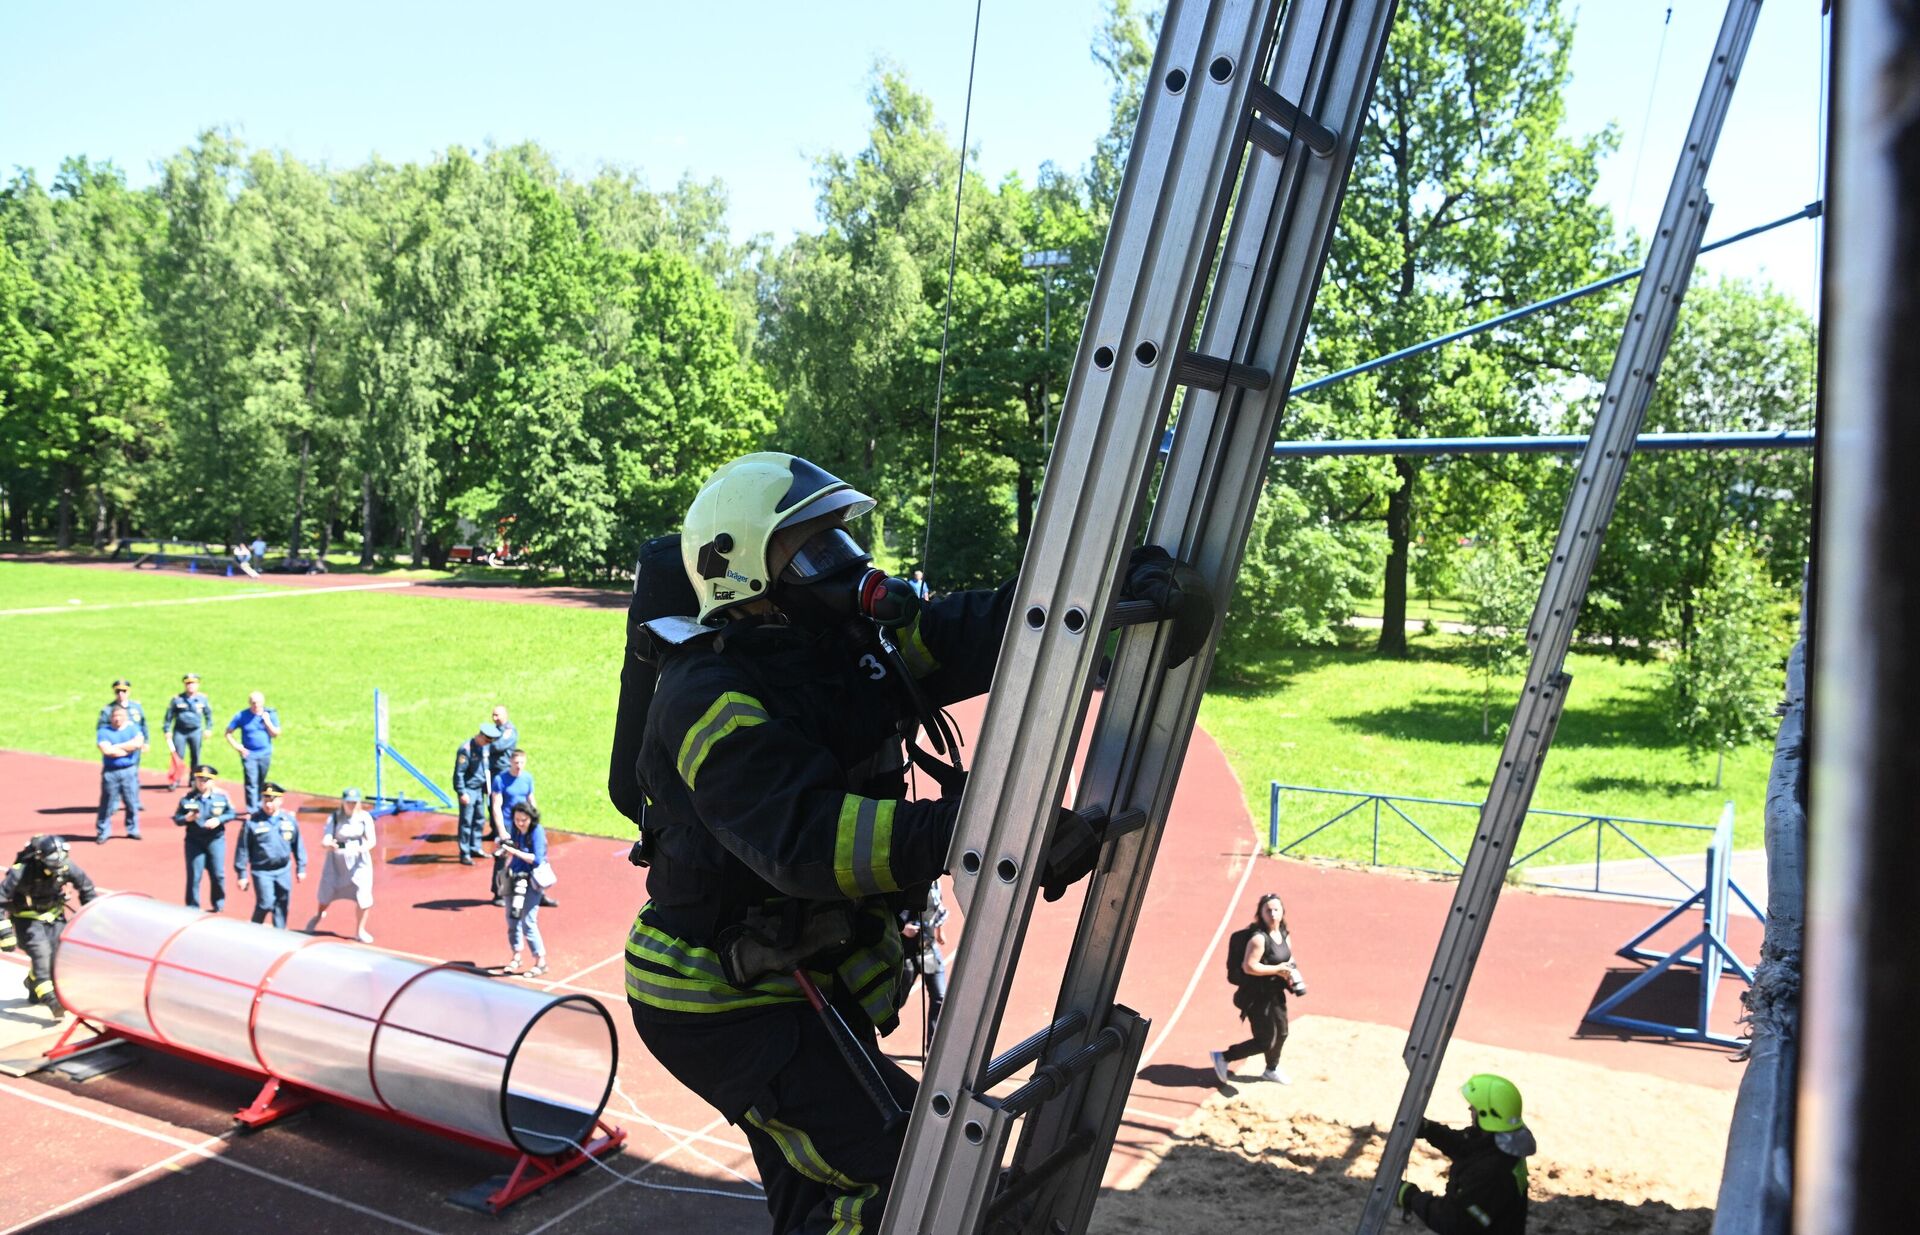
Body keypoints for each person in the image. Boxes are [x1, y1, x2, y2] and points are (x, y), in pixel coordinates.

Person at [612, 452, 1213, 1234]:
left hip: (805, 972)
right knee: (905, 1173)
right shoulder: (705, 698)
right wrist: (989, 829)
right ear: (745, 574)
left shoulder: (845, 649)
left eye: (845, 540)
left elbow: (979, 631)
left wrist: (1110, 593)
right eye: (818, 548)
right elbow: (806, 840)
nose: (853, 565)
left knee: (821, 1185)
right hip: (723, 998)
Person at [1396, 1074, 1535, 1234]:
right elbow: (1465, 1146)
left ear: (1486, 1114)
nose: (1470, 1109)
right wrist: (1429, 1130)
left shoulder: (1491, 1172)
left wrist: (1410, 1196)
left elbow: (1451, 1221)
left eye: (1474, 1107)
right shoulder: (1499, 1144)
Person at [1212, 891, 1305, 1085]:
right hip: (1256, 996)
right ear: (1260, 913)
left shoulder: (1284, 934)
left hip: (1275, 993)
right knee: (1265, 1041)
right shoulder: (1258, 939)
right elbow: (1249, 966)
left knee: (1282, 1033)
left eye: (1276, 910)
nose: (1272, 914)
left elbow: (1287, 957)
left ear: (1282, 912)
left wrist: (1292, 975)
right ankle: (1223, 1057)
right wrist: (1277, 969)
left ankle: (1271, 1069)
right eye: (1268, 910)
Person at [0, 836, 98, 1015]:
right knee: (42, 954)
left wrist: (92, 919)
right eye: (53, 861)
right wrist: (5, 933)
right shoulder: (21, 872)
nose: (57, 865)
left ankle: (33, 982)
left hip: (54, 916)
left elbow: (87, 889)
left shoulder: (65, 866)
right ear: (40, 857)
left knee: (59, 957)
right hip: (27, 920)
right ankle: (52, 1000)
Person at [306, 788, 376, 942]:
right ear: (343, 802)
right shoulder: (335, 817)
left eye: (354, 802)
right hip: (337, 861)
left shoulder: (365, 818)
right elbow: (326, 837)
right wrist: (328, 844)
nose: (351, 805)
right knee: (327, 890)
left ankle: (360, 930)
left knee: (363, 894)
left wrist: (362, 848)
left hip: (359, 861)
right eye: (348, 802)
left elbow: (371, 840)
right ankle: (319, 914)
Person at [235, 781, 306, 928]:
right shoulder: (252, 822)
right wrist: (242, 874)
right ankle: (254, 927)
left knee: (282, 903)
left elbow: (298, 844)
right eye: (266, 800)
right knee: (266, 903)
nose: (268, 805)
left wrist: (301, 867)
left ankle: (279, 934)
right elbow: (243, 849)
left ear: (280, 800)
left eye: (272, 801)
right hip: (262, 871)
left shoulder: (289, 820)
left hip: (283, 870)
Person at [495, 802, 549, 978]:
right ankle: (516, 956)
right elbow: (512, 848)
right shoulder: (516, 829)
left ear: (531, 818)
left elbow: (537, 859)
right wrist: (504, 851)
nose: (519, 823)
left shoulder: (537, 831)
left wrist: (514, 851)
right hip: (514, 877)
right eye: (517, 820)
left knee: (528, 921)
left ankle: (540, 961)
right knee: (512, 919)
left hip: (531, 881)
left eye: (523, 820)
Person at [175, 763, 237, 911]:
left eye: (206, 780)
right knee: (194, 876)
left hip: (215, 839)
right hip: (194, 841)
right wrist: (186, 819)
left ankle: (218, 903)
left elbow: (231, 813)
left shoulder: (222, 797)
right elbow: (177, 818)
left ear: (212, 781)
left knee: (218, 874)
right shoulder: (187, 798)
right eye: (199, 779)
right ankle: (192, 907)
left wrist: (218, 820)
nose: (202, 783)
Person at [899, 879, 950, 1046]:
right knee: (898, 999)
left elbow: (937, 903)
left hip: (928, 949)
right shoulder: (906, 879)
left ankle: (933, 1049)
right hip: (906, 952)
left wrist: (939, 931)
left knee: (940, 996)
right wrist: (903, 928)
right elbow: (889, 915)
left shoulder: (935, 881)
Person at [488, 747, 537, 905]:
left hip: (524, 824)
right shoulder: (500, 780)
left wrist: (534, 821)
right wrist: (501, 830)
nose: (519, 766)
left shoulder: (528, 778)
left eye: (522, 762)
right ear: (510, 762)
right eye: (516, 762)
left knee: (529, 856)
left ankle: (533, 889)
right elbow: (496, 805)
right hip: (508, 823)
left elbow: (530, 799)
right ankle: (498, 892)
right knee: (502, 858)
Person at [95, 702, 146, 843]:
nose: (117, 718)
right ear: (111, 717)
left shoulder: (133, 729)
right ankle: (103, 831)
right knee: (107, 803)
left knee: (131, 802)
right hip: (111, 772)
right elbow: (107, 751)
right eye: (115, 716)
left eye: (120, 716)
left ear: (125, 717)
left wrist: (117, 747)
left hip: (129, 771)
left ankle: (133, 829)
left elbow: (137, 744)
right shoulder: (104, 731)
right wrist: (127, 749)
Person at [224, 691, 282, 812]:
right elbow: (228, 733)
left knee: (261, 781)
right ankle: (252, 809)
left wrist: (267, 722)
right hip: (249, 754)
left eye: (259, 702)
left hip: (265, 753)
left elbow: (275, 734)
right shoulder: (242, 716)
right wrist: (237, 747)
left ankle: (260, 805)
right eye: (254, 702)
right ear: (249, 703)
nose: (256, 705)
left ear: (263, 702)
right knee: (251, 782)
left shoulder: (270, 714)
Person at [452, 724, 498, 866]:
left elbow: (485, 768)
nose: (488, 744)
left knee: (479, 819)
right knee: (466, 822)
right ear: (481, 736)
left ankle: (475, 847)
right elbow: (458, 774)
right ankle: (465, 852)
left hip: (479, 790)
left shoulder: (484, 747)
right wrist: (462, 792)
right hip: (468, 790)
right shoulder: (466, 750)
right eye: (487, 741)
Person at [162, 673, 214, 790]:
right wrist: (167, 730)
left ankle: (193, 780)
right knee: (178, 756)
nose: (190, 686)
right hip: (180, 731)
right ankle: (175, 780)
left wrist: (208, 729)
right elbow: (169, 717)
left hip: (195, 731)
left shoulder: (202, 699)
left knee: (195, 756)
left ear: (197, 685)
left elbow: (208, 715)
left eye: (193, 683)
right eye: (188, 683)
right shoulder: (177, 699)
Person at [97, 678, 149, 745]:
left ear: (129, 692)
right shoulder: (108, 709)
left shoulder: (136, 707)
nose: (120, 693)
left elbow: (143, 725)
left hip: (135, 742)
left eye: (124, 691)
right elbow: (102, 728)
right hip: (116, 742)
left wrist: (146, 742)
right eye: (118, 691)